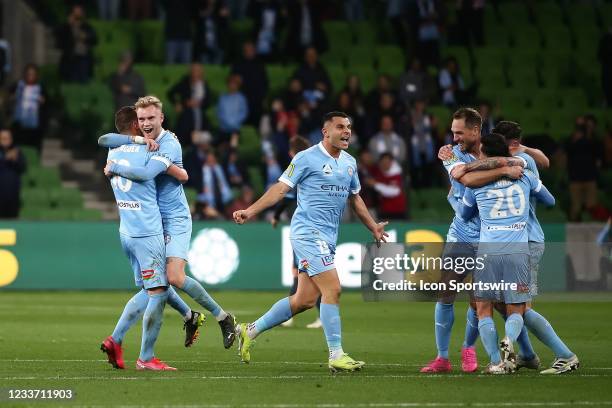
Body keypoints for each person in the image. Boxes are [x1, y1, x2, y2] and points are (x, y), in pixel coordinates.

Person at [232, 112, 389, 372]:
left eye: (349, 127)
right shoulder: (305, 158)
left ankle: (250, 331)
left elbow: (355, 198)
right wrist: (251, 210)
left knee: (303, 300)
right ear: (325, 132)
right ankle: (336, 355)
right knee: (333, 289)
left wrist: (372, 225)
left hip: (328, 238)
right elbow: (280, 189)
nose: (346, 131)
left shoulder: (349, 162)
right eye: (340, 127)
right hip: (307, 233)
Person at [98, 97, 237, 348]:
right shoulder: (140, 143)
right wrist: (137, 141)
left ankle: (223, 317)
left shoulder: (169, 144)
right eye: (141, 120)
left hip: (174, 218)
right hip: (151, 221)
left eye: (151, 118)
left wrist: (115, 166)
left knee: (172, 277)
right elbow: (105, 139)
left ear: (161, 118)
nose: (146, 123)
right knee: (153, 285)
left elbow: (147, 174)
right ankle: (189, 316)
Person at [421, 107, 527, 374]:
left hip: (490, 238)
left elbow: (526, 161)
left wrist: (507, 162)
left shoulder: (495, 146)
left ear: (476, 130)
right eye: (453, 132)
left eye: (460, 132)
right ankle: (442, 357)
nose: (455, 138)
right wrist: (503, 168)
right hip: (461, 233)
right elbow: (466, 179)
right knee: (445, 292)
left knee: (481, 301)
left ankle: (469, 349)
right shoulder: (453, 154)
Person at [99, 108, 205, 370]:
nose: (147, 126)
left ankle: (118, 340)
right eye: (143, 121)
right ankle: (145, 357)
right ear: (137, 124)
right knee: (156, 293)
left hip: (126, 231)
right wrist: (179, 170)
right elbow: (173, 174)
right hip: (148, 232)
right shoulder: (149, 150)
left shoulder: (112, 151)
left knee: (151, 288)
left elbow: (105, 139)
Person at [453, 132, 556, 374]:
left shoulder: (476, 183)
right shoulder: (525, 176)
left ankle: (496, 362)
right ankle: (510, 340)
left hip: (488, 253)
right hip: (518, 253)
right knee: (517, 308)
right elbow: (549, 200)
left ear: (484, 154)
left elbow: (464, 214)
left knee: (483, 308)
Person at [494, 121, 579, 375]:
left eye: (498, 142)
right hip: (514, 241)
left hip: (526, 240)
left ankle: (566, 355)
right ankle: (528, 355)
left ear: (510, 144)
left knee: (520, 306)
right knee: (502, 303)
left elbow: (549, 198)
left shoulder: (519, 163)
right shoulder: (519, 157)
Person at [269, 136, 322, 329]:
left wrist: (275, 215)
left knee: (307, 275)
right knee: (310, 275)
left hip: (305, 229)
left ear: (293, 151)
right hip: (318, 227)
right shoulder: (317, 163)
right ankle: (307, 315)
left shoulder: (300, 164)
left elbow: (285, 195)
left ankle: (290, 315)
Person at [167, 63, 213, 147]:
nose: (195, 73)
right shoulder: (185, 82)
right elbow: (170, 93)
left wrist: (200, 103)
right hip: (187, 114)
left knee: (208, 135)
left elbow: (209, 101)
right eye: (193, 71)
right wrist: (179, 103)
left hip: (200, 115)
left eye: (197, 71)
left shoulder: (204, 84)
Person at [231, 41, 269, 125]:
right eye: (246, 50)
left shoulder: (260, 64)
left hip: (257, 99)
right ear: (243, 51)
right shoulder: (238, 63)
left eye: (251, 50)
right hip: (242, 98)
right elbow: (232, 81)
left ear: (254, 51)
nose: (249, 52)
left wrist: (264, 97)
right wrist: (236, 80)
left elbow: (265, 83)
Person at [56, 4, 97, 82]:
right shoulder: (66, 27)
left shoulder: (86, 27)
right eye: (75, 13)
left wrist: (86, 37)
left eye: (79, 13)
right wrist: (67, 24)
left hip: (84, 59)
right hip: (70, 58)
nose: (77, 15)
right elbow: (58, 36)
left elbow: (94, 39)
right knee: (72, 81)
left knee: (84, 81)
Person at [10, 64, 47, 151]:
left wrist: (42, 101)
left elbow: (46, 103)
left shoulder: (41, 88)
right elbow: (9, 97)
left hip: (35, 124)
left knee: (34, 147)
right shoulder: (17, 86)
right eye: (28, 74)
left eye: (32, 74)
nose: (30, 76)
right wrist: (13, 98)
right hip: (19, 124)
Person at [0, 129, 26, 219]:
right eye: (3, 138)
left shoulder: (17, 152)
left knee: (12, 222)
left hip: (13, 196)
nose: (5, 140)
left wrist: (15, 160)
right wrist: (5, 158)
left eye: (7, 138)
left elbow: (23, 168)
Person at [217, 74, 249, 143]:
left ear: (238, 86)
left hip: (235, 129)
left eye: (234, 84)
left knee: (233, 147)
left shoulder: (241, 98)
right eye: (230, 83)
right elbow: (220, 112)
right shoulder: (222, 98)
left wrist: (234, 122)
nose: (232, 86)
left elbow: (243, 113)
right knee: (222, 148)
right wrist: (227, 122)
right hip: (223, 129)